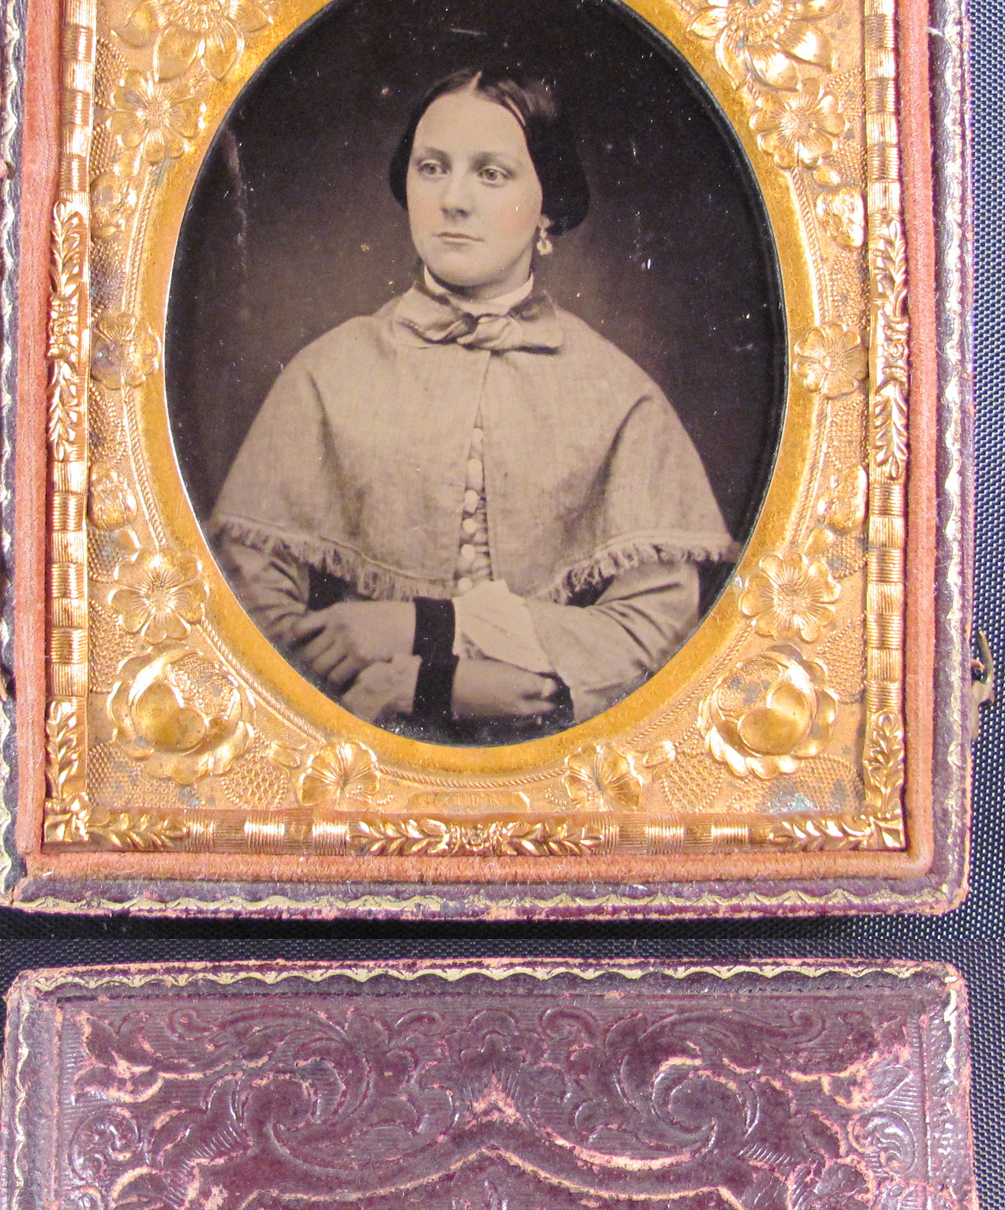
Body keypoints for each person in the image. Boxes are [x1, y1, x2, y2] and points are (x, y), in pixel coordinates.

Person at [209, 68, 738, 742]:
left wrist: (429, 644)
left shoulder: (619, 396)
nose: (453, 201)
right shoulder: (325, 374)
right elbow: (249, 613)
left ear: (547, 205)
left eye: (491, 174)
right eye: (432, 168)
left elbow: (656, 631)